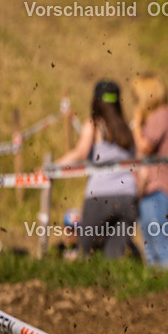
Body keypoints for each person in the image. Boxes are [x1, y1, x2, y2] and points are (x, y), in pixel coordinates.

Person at [56, 80, 139, 260]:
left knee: (83, 252)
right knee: (114, 257)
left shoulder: (94, 124)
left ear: (95, 101)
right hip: (128, 197)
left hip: (99, 195)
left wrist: (52, 168)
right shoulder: (127, 130)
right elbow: (136, 166)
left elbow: (80, 152)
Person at [130, 73, 168, 270]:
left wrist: (136, 125)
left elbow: (145, 147)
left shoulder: (163, 116)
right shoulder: (159, 117)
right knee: (150, 247)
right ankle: (157, 290)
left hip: (158, 189)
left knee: (159, 243)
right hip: (149, 189)